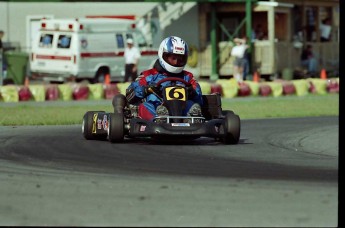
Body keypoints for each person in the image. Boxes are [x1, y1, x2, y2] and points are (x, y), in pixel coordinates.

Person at [125, 36, 203, 122]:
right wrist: (146, 89)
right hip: (157, 107)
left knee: (191, 105)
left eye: (180, 58)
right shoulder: (148, 75)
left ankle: (192, 118)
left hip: (182, 110)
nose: (176, 62)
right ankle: (160, 119)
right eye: (173, 58)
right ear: (163, 54)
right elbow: (130, 94)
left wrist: (192, 92)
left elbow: (199, 98)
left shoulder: (188, 76)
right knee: (145, 106)